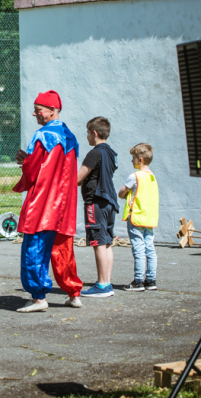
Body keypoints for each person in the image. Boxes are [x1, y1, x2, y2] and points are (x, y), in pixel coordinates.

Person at [13, 90, 83, 313]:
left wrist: (24, 162)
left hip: (44, 202)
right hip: (65, 204)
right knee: (62, 249)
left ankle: (38, 298)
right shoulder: (70, 137)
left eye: (38, 110)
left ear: (52, 111)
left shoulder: (42, 135)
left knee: (34, 248)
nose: (35, 114)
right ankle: (73, 293)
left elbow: (33, 171)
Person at [78, 117, 119, 299]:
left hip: (96, 202)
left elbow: (78, 178)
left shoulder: (94, 153)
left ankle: (102, 285)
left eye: (88, 133)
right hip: (109, 202)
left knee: (98, 243)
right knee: (106, 242)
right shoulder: (110, 152)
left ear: (94, 133)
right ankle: (106, 282)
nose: (87, 137)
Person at [118, 143, 159, 292]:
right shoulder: (152, 177)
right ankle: (151, 280)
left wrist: (125, 195)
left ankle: (138, 281)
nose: (132, 161)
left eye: (133, 158)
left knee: (138, 249)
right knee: (150, 249)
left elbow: (121, 193)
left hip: (136, 217)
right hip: (149, 218)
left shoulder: (134, 176)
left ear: (140, 159)